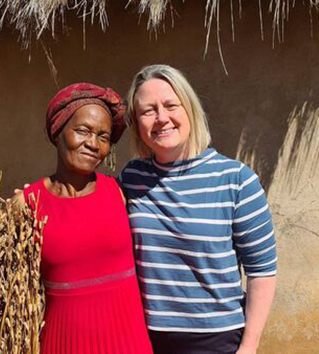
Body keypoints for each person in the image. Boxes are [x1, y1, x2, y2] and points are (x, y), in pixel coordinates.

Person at [0, 83, 153, 354]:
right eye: (82, 130)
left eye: (103, 137)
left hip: (129, 342)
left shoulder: (119, 192)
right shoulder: (26, 203)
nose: (93, 143)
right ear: (57, 133)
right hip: (63, 344)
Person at [118, 64, 277, 354]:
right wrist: (33, 199)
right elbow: (89, 208)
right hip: (144, 338)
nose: (161, 118)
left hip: (216, 340)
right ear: (136, 123)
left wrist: (249, 346)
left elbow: (262, 271)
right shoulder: (131, 178)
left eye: (170, 105)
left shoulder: (237, 180)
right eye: (148, 110)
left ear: (190, 109)